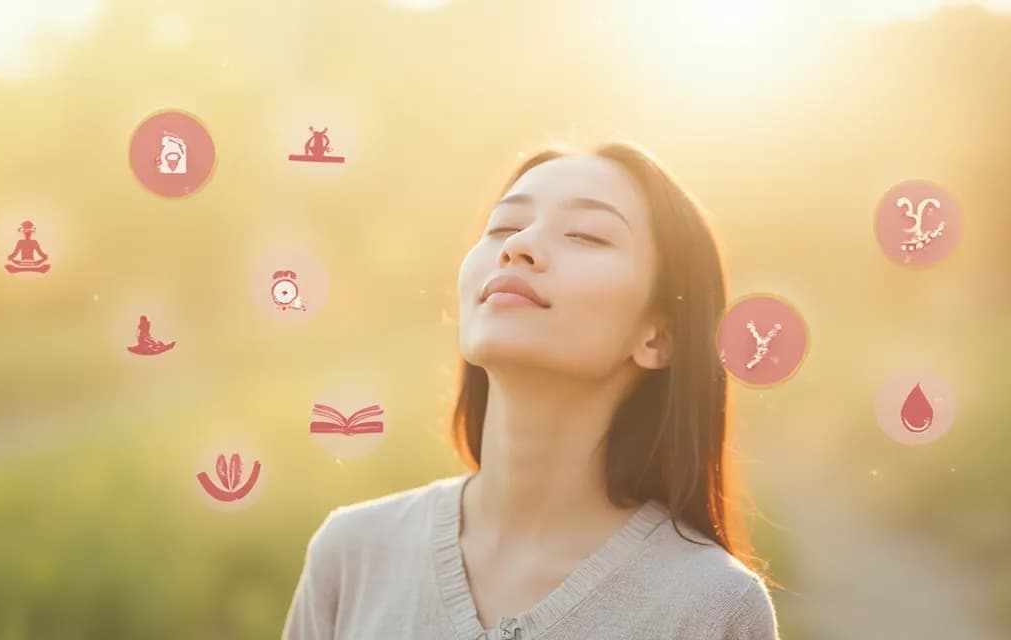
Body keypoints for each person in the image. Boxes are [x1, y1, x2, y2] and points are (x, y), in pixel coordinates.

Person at [282, 142, 780, 639]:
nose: (517, 246)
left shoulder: (712, 607)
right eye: (503, 227)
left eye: (585, 235)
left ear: (659, 337)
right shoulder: (351, 557)